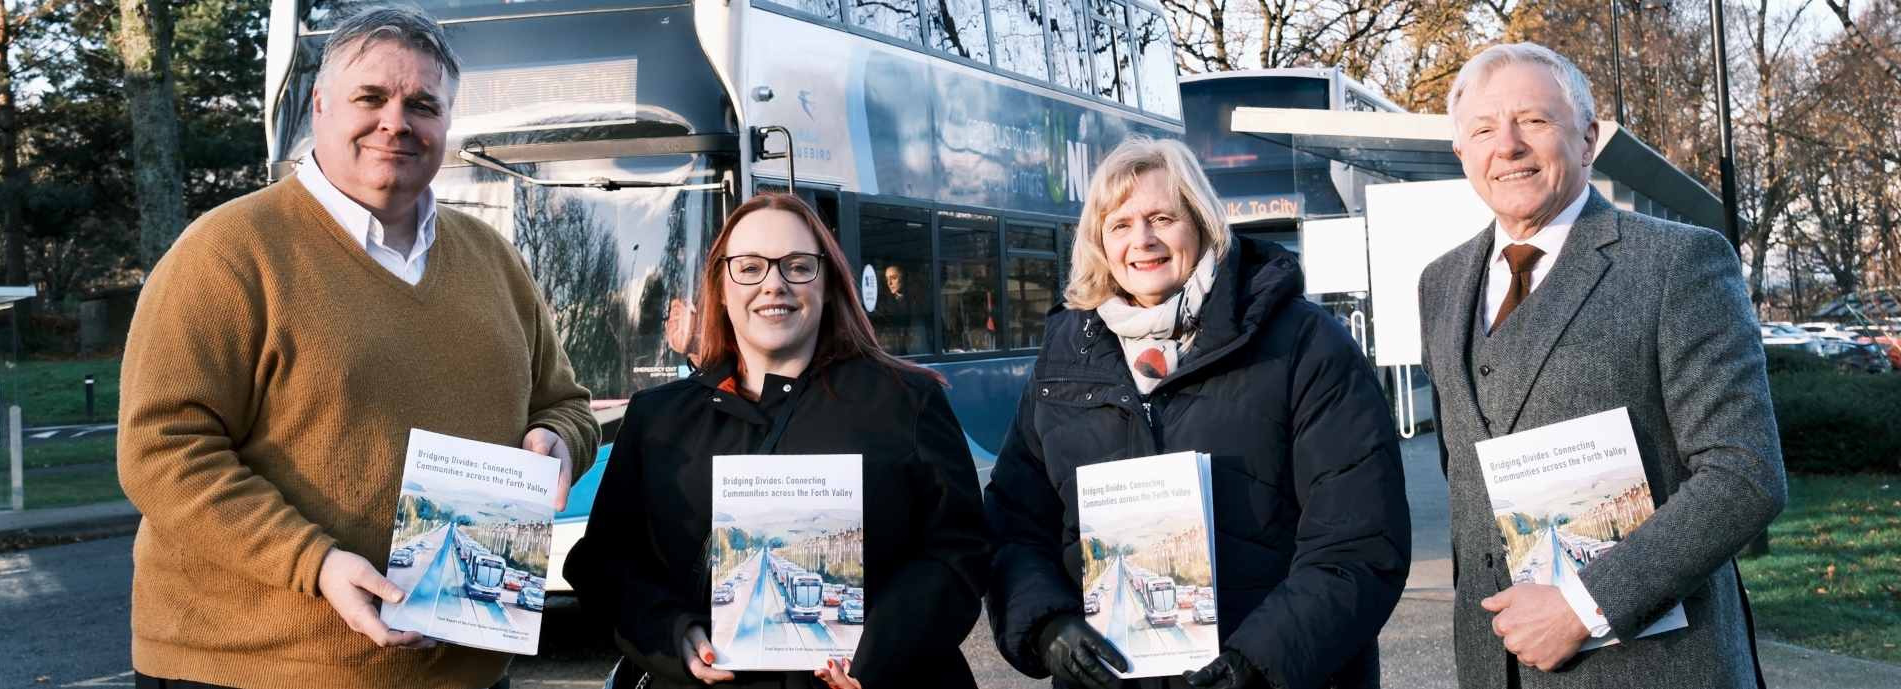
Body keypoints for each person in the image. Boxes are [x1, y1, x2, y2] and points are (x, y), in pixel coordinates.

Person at [116, 6, 599, 688]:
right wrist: (310, 560)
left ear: (446, 123)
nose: (396, 122)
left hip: (470, 668)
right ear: (319, 106)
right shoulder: (224, 255)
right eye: (370, 97)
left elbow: (568, 404)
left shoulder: (493, 258)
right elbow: (162, 451)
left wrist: (557, 439)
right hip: (256, 671)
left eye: (423, 104)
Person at [1417, 42, 1785, 687]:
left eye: (1533, 120)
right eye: (1482, 129)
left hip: (1653, 665)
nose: (1507, 145)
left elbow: (1744, 474)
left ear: (1587, 139)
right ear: (1463, 155)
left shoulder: (1679, 263)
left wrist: (1586, 607)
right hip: (1494, 662)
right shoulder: (1440, 284)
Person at [983, 136, 1411, 689]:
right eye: (1120, 225)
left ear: (1203, 224)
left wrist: (1258, 661)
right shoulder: (1063, 360)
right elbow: (1016, 525)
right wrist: (1047, 625)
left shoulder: (1304, 344)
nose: (1143, 241)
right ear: (1099, 244)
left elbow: (1360, 540)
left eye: (1162, 217)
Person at [563, 192, 992, 689]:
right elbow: (604, 563)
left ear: (827, 282)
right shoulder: (658, 417)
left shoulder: (905, 402)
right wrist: (670, 633)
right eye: (749, 267)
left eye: (797, 266)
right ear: (721, 287)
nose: (774, 284)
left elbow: (960, 552)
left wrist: (877, 649)